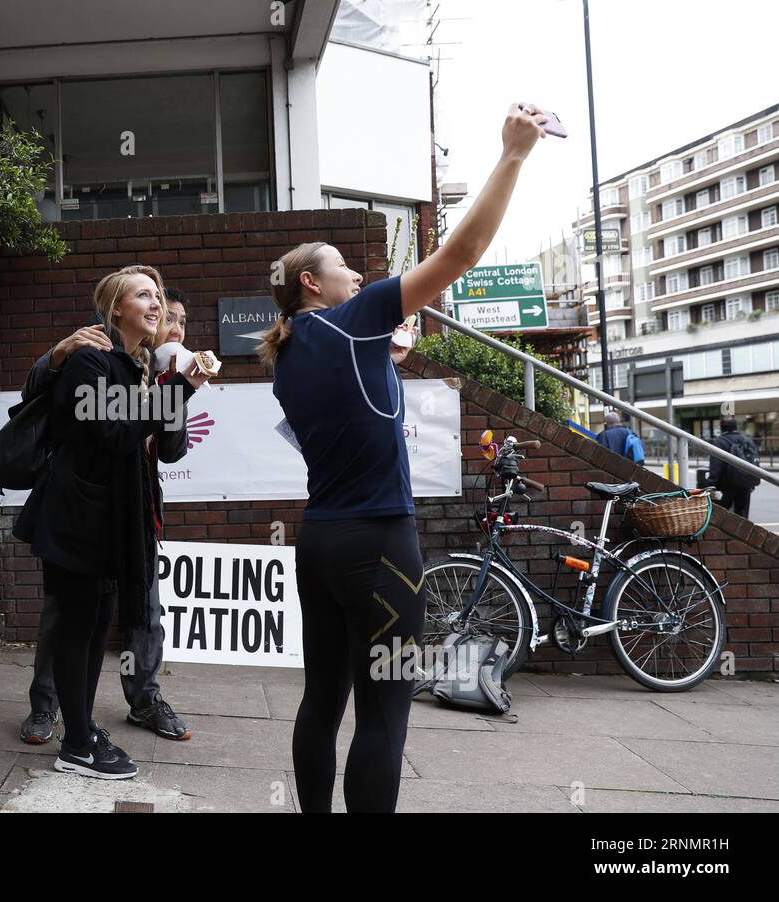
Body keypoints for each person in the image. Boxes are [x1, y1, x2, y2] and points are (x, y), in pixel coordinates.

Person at [260, 103, 548, 812]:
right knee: (385, 712)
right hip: (381, 543)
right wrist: (512, 154)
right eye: (344, 270)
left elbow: (352, 400)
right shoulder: (349, 322)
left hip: (321, 540)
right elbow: (460, 257)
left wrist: (385, 358)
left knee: (323, 696)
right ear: (310, 285)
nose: (357, 278)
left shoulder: (291, 351)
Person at [13, 265, 212, 779]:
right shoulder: (90, 358)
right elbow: (114, 433)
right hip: (76, 520)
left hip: (105, 522)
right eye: (143, 295)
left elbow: (139, 436)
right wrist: (184, 390)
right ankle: (76, 743)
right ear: (115, 308)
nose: (157, 305)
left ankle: (81, 729)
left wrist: (179, 386)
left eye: (159, 296)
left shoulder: (129, 362)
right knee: (78, 630)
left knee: (97, 627)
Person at [708, 416, 761, 517]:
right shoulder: (747, 441)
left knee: (722, 515)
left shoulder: (719, 442)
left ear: (722, 428)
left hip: (727, 484)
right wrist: (752, 483)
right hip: (746, 483)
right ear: (736, 427)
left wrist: (711, 485)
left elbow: (715, 465)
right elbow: (755, 461)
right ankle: (743, 532)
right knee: (743, 514)